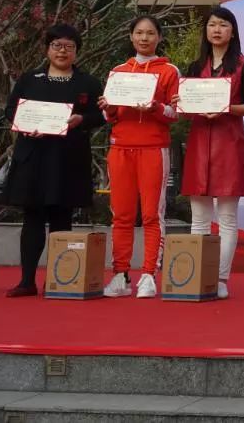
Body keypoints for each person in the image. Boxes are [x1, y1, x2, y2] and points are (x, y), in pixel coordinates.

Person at [1, 25, 105, 297]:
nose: (62, 51)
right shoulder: (30, 79)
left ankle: (60, 279)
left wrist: (82, 119)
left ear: (76, 51)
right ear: (47, 49)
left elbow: (102, 116)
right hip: (33, 156)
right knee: (32, 217)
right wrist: (24, 124)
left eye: (69, 47)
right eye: (57, 45)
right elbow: (11, 109)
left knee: (62, 218)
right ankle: (26, 281)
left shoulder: (88, 83)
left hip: (68, 158)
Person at [171, 7, 244, 300]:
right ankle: (198, 275)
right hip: (199, 142)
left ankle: (220, 278)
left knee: (227, 217)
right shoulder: (196, 66)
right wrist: (181, 102)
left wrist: (225, 108)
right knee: (199, 217)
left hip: (229, 142)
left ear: (232, 32)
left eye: (223, 25)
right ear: (205, 31)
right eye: (212, 25)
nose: (217, 30)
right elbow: (185, 110)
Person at [100, 16, 181, 299]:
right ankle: (120, 275)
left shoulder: (169, 71)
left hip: (153, 149)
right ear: (131, 36)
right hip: (120, 148)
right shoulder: (118, 71)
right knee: (121, 215)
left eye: (150, 33)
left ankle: (148, 274)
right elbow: (109, 116)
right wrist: (108, 107)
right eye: (139, 33)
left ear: (159, 37)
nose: (144, 38)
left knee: (151, 214)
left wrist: (155, 107)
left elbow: (175, 113)